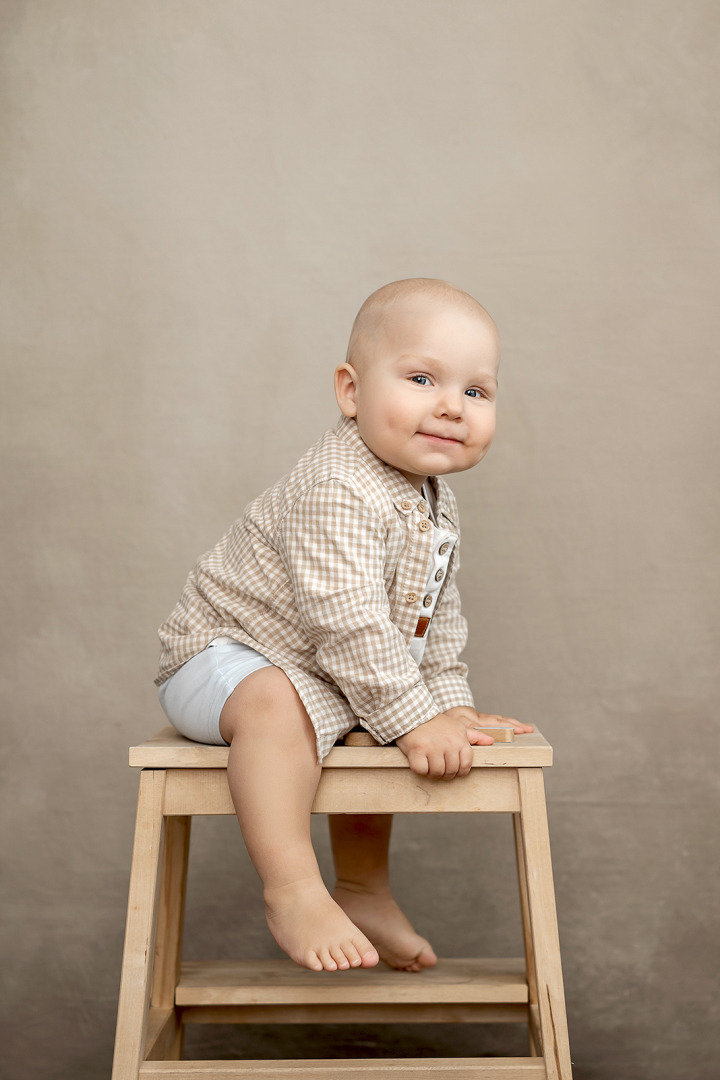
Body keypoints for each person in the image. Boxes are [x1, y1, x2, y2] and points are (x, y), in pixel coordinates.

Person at [155, 277, 533, 975]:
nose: (452, 406)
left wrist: (449, 704)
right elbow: (351, 624)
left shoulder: (431, 501)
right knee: (287, 699)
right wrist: (415, 717)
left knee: (374, 712)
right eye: (422, 378)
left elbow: (431, 621)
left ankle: (362, 889)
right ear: (351, 392)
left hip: (319, 672)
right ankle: (293, 889)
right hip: (220, 659)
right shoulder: (338, 485)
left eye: (477, 392)